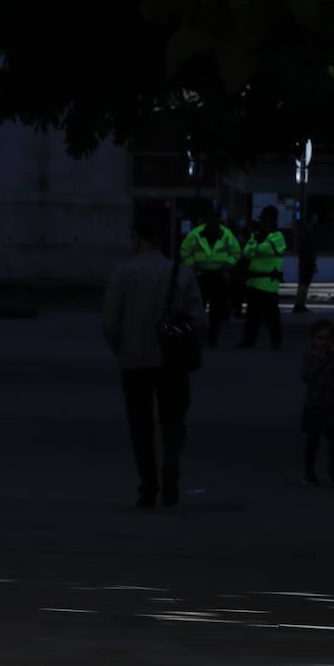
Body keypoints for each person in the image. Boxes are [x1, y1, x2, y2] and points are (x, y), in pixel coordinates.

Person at [102, 212, 207, 510]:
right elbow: (199, 322)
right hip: (173, 362)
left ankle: (148, 488)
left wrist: (122, 348)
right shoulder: (182, 273)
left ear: (137, 238)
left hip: (134, 361)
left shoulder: (122, 274)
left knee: (140, 426)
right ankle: (171, 466)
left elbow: (110, 325)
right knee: (173, 421)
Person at [301, 319, 334, 487]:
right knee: (313, 440)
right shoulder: (309, 356)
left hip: (330, 404)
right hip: (313, 404)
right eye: (320, 339)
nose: (323, 343)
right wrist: (320, 361)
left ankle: (333, 470)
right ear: (312, 339)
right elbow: (307, 377)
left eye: (327, 339)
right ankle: (309, 472)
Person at [179, 204, 239, 348]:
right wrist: (192, 265)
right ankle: (198, 338)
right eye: (212, 216)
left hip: (218, 277)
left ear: (219, 218)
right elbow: (184, 250)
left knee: (216, 312)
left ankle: (212, 340)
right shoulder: (196, 233)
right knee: (198, 310)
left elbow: (236, 252)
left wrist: (228, 264)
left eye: (216, 216)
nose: (214, 219)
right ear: (207, 218)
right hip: (201, 276)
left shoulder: (226, 234)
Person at [236, 205, 287, 349]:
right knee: (252, 316)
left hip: (268, 283)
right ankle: (249, 341)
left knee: (272, 316)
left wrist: (255, 248)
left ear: (270, 220)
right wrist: (256, 248)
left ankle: (276, 342)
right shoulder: (256, 235)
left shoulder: (278, 236)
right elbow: (246, 252)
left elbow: (266, 250)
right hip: (254, 282)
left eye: (264, 219)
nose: (261, 223)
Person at [293, 212, 320, 313]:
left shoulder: (307, 231)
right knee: (304, 284)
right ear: (311, 219)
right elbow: (306, 248)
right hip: (306, 261)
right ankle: (299, 305)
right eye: (315, 218)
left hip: (307, 261)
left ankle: (300, 305)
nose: (316, 220)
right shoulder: (307, 231)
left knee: (304, 284)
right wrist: (311, 261)